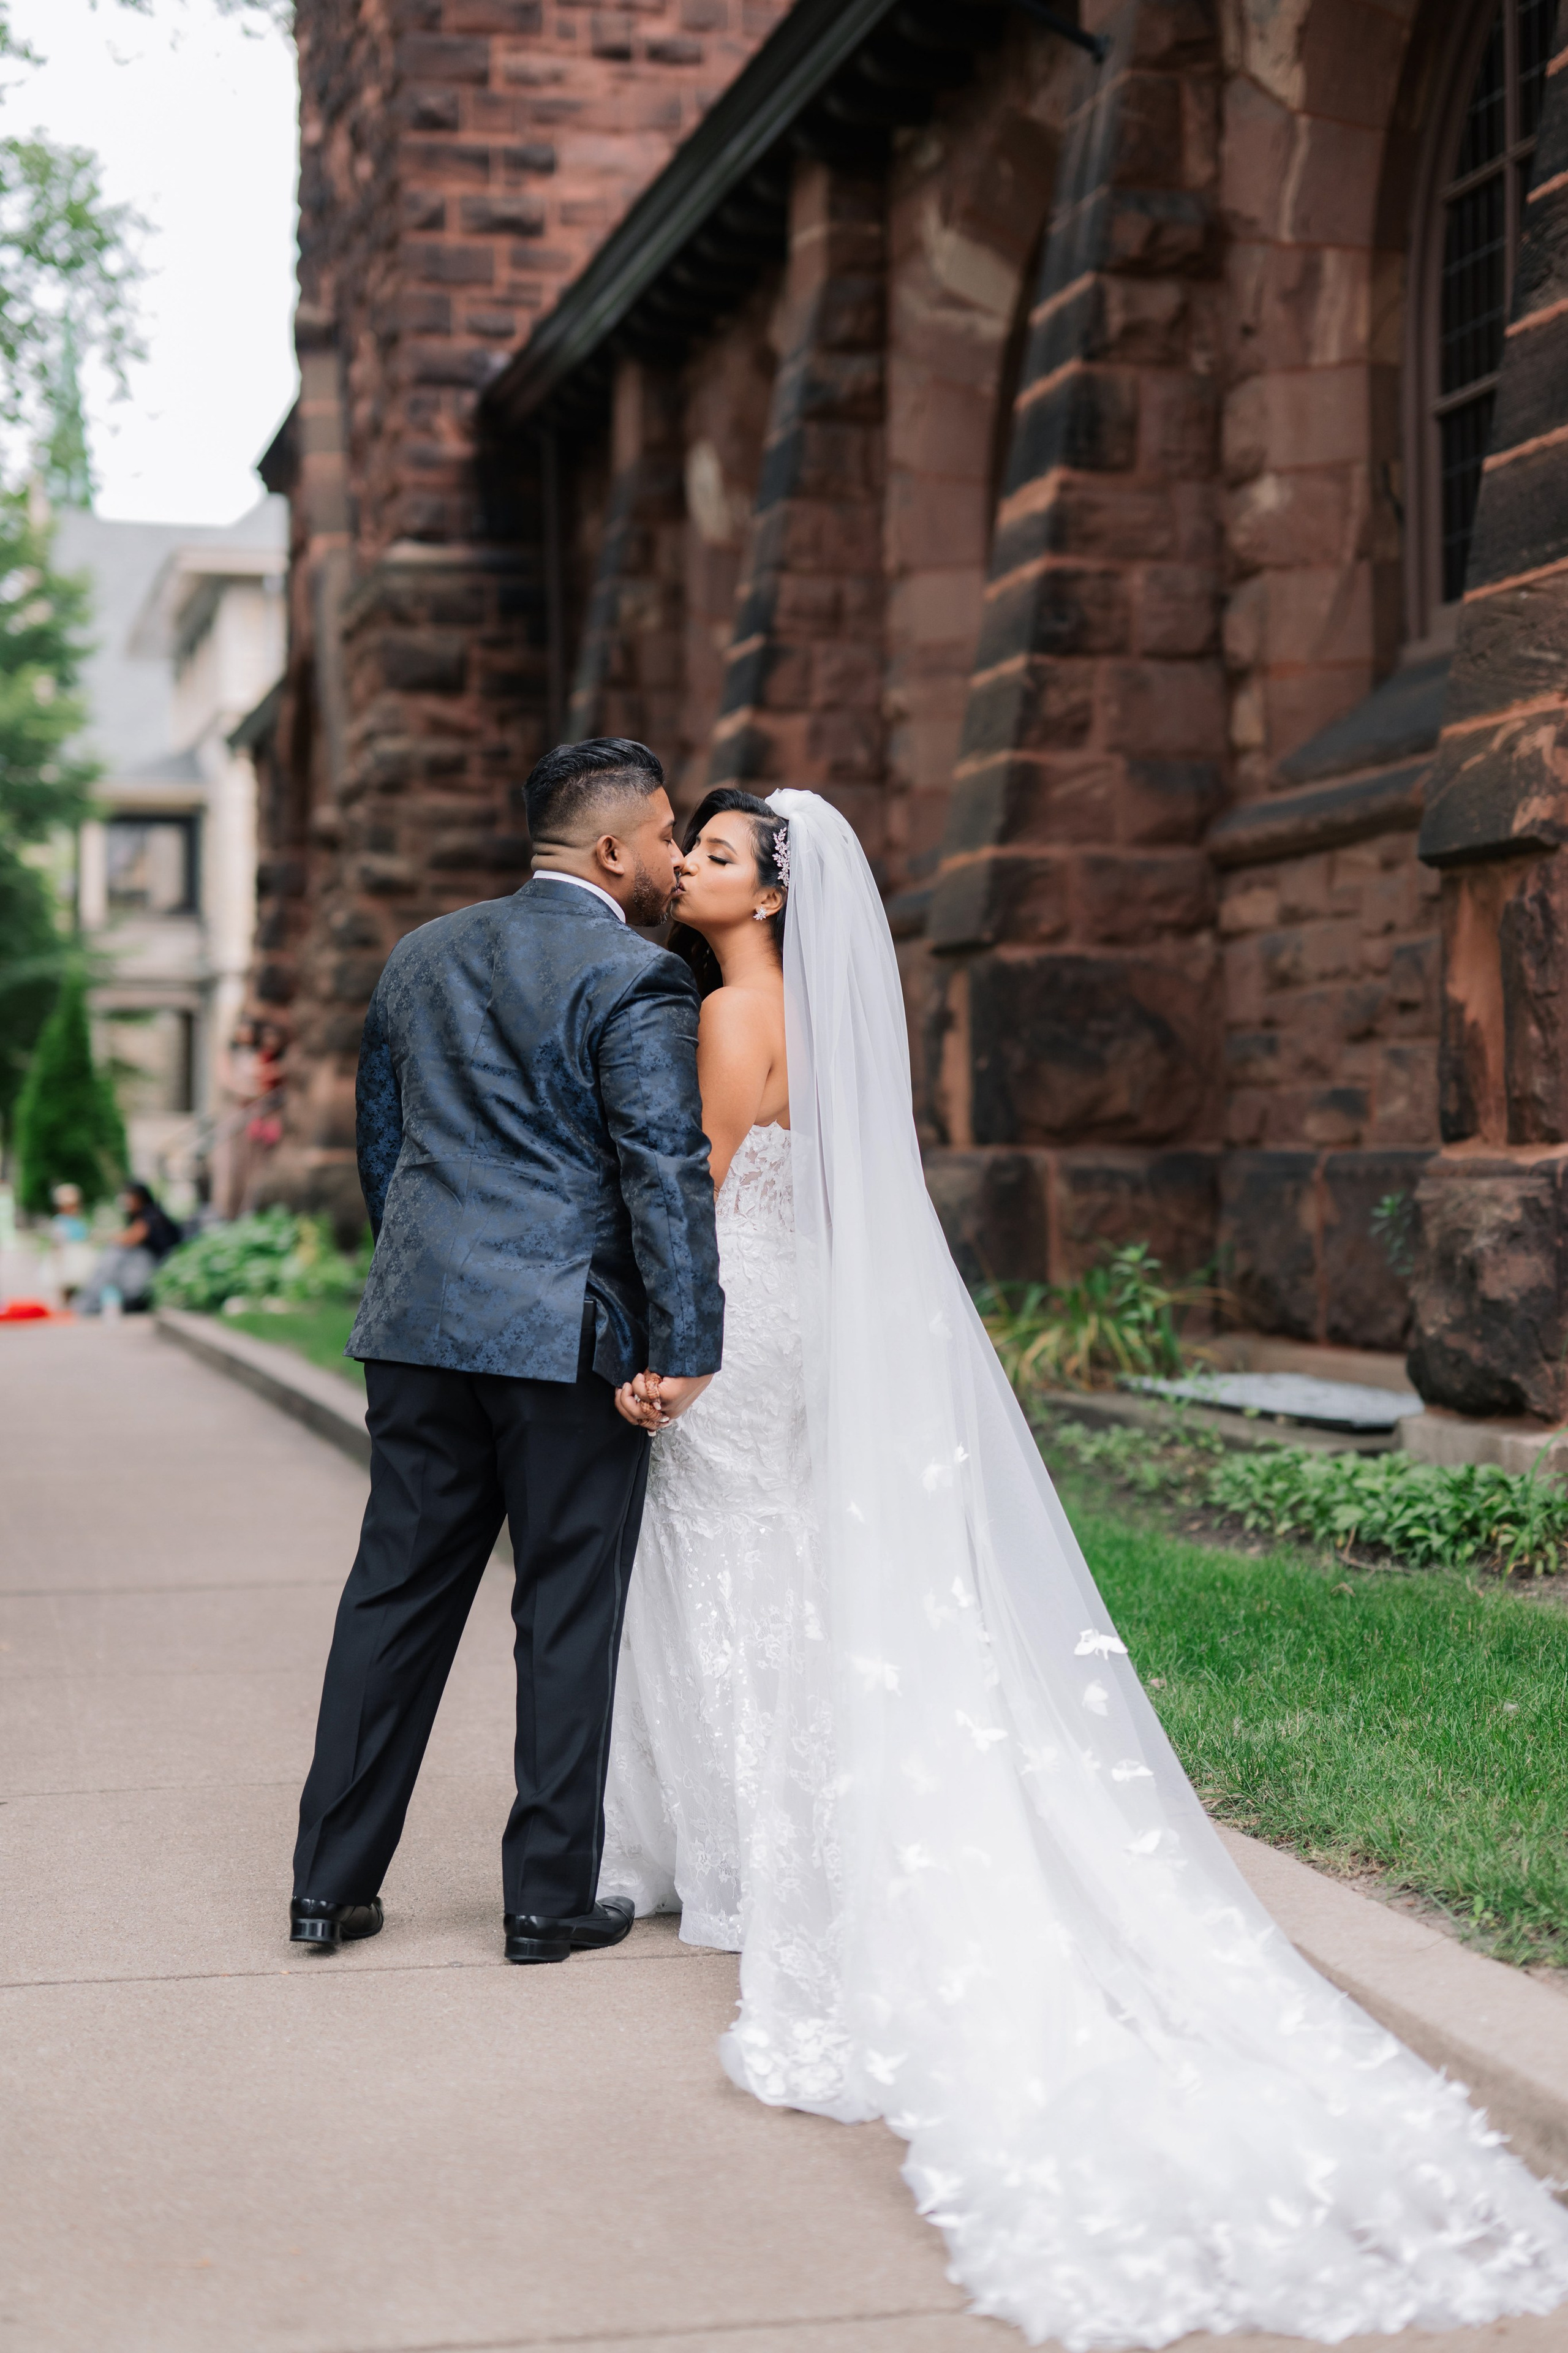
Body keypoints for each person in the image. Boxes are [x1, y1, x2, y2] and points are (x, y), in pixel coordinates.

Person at [599, 788, 1568, 2347]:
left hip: (731, 1327)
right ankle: (756, 1833)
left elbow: (687, 1208)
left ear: (772, 898)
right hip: (799, 1324)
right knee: (774, 1562)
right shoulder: (804, 1016)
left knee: (726, 1563)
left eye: (712, 855)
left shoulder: (727, 1023)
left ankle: (734, 1855)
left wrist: (658, 1355)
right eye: (690, 849)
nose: (685, 869)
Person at [288, 737, 723, 1966]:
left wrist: (428, 1279)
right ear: (609, 848)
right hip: (562, 1338)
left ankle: (326, 1888)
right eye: (662, 832)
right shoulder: (634, 977)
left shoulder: (420, 957)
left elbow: (387, 1152)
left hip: (420, 1327)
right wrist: (686, 1343)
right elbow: (660, 1169)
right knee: (564, 1611)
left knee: (394, 1595)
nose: (670, 854)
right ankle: (541, 1902)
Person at [75, 1182, 183, 1315]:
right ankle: (93, 1300)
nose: (126, 1202)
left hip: (160, 1263)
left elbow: (131, 1238)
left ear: (139, 1198)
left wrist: (105, 1237)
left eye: (128, 1197)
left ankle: (94, 1301)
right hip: (147, 1263)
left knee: (115, 1255)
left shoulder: (152, 1215)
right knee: (114, 1255)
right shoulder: (141, 1216)